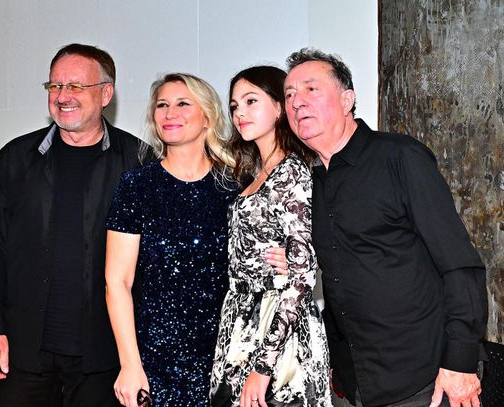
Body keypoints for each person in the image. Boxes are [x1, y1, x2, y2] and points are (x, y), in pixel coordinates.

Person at [282, 48, 487, 407]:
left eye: (311, 89)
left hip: (427, 379)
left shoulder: (400, 157)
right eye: (289, 95)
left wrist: (460, 362)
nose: (297, 102)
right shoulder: (307, 185)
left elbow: (460, 265)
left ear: (347, 100)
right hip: (356, 384)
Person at [0, 43, 152, 406]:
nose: (63, 96)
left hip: (104, 355)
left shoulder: (138, 161)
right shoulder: (16, 157)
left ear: (106, 93)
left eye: (76, 86)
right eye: (55, 86)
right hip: (23, 350)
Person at [105, 73, 240, 407]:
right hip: (153, 358)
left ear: (207, 116)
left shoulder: (235, 187)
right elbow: (117, 282)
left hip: (225, 356)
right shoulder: (136, 186)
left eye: (182, 104)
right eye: (162, 105)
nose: (169, 113)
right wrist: (130, 365)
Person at [210, 66, 333, 407]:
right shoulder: (257, 173)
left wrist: (263, 366)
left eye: (251, 101)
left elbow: (301, 277)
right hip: (242, 322)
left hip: (279, 332)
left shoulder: (291, 171)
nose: (240, 112)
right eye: (234, 106)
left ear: (279, 107)